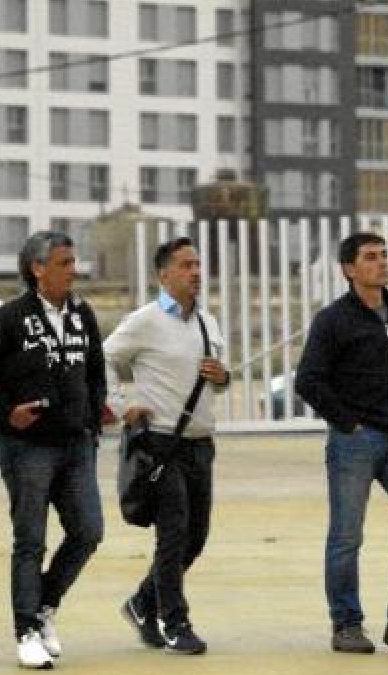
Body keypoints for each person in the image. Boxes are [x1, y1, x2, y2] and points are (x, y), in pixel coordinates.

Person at [0, 231, 106, 669]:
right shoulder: (9, 318)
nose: (72, 270)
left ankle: (43, 606)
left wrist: (93, 418)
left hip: (76, 444)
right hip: (27, 448)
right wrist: (7, 412)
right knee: (31, 541)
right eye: (63, 262)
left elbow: (95, 372)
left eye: (73, 261)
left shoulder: (83, 315)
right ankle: (26, 630)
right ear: (37, 268)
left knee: (88, 531)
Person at [295, 232, 388, 655]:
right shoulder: (333, 320)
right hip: (355, 442)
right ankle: (346, 625)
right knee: (346, 537)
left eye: (384, 256)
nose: (382, 263)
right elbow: (309, 380)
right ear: (349, 269)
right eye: (371, 258)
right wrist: (348, 423)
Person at [103, 237, 230, 656]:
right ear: (164, 274)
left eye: (197, 264)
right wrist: (122, 405)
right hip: (160, 443)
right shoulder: (145, 321)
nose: (195, 272)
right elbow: (100, 359)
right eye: (185, 265)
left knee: (196, 536)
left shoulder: (208, 323)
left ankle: (143, 602)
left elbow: (218, 377)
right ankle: (174, 622)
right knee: (173, 535)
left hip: (200, 443)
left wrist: (221, 376)